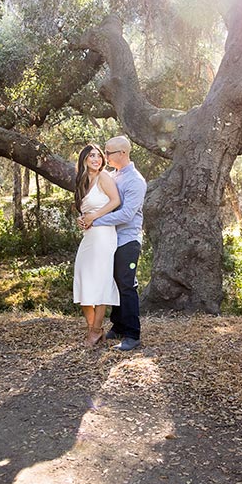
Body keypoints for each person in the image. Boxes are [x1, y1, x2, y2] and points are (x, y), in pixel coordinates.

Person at [79, 135, 146, 352]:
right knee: (114, 282)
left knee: (127, 285)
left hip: (128, 240)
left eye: (108, 153)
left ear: (122, 154)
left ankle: (132, 334)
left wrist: (95, 220)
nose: (105, 156)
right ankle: (117, 326)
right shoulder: (115, 176)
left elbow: (127, 214)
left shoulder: (135, 180)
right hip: (111, 240)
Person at [72, 144, 121, 347]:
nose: (96, 159)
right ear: (84, 159)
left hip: (103, 235)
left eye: (99, 156)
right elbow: (85, 209)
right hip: (89, 236)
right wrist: (81, 219)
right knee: (83, 279)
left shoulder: (104, 177)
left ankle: (94, 331)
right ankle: (96, 329)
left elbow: (115, 201)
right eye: (91, 156)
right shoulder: (83, 181)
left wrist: (94, 216)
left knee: (101, 281)